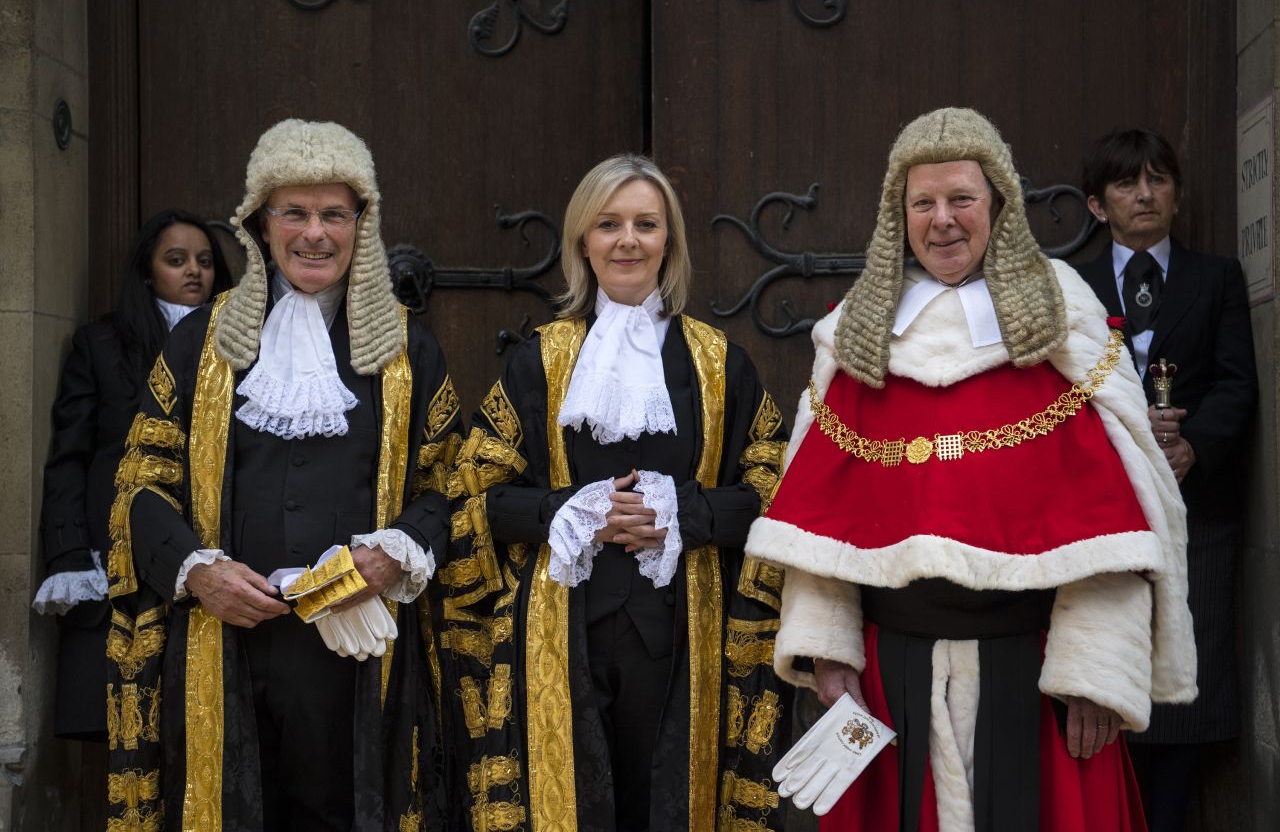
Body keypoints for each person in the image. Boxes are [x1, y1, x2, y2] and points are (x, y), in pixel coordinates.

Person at [745, 108, 1197, 831]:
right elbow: (820, 523)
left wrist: (1095, 672)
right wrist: (829, 652)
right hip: (891, 671)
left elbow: (1117, 519)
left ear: (998, 206)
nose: (943, 220)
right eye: (923, 202)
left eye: (962, 198)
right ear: (900, 215)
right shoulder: (858, 334)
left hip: (1040, 672)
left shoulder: (1065, 324)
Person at [103, 120, 463, 830]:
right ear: (260, 225)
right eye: (293, 212)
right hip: (224, 643)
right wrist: (196, 571)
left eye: (334, 213)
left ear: (362, 224)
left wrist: (392, 556)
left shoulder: (405, 349)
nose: (314, 233)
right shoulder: (199, 342)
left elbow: (451, 484)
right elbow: (140, 481)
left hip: (357, 654)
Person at [436, 154, 791, 831]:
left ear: (669, 242)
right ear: (583, 242)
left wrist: (682, 512)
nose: (627, 239)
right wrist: (568, 512)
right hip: (563, 638)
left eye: (645, 224)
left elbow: (774, 487)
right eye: (609, 224)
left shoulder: (720, 362)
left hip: (686, 640)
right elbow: (475, 495)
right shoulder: (536, 360)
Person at [1078, 128, 1257, 832]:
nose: (1144, 194)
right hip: (1105, 515)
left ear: (1177, 195)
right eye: (1126, 183)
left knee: (1187, 691)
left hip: (1196, 520)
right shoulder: (1076, 289)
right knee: (1106, 679)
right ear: (1097, 205)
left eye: (1158, 180)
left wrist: (1195, 449)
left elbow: (1239, 384)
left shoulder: (1217, 279)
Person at [32, 208, 232, 741]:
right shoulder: (100, 346)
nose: (194, 271)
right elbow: (70, 458)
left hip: (211, 553)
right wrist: (70, 555)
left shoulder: (241, 346)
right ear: (148, 271)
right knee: (125, 729)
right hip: (116, 553)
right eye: (176, 260)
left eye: (205, 261)